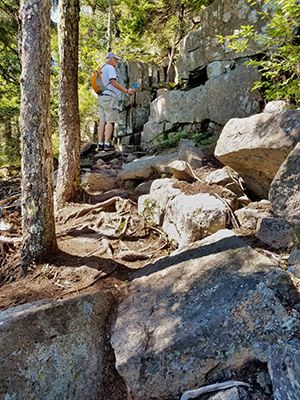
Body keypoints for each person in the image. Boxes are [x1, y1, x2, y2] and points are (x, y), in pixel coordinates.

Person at [97, 51, 135, 151]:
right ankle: (107, 144)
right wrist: (127, 91)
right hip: (109, 98)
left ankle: (100, 144)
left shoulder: (101, 69)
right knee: (110, 121)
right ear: (112, 59)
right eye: (116, 60)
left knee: (102, 121)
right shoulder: (110, 68)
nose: (116, 62)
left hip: (101, 97)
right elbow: (113, 82)